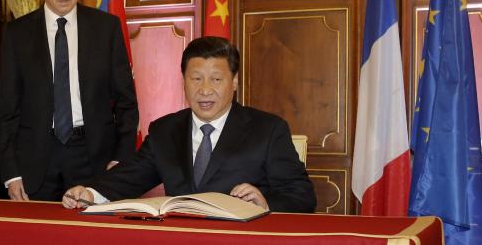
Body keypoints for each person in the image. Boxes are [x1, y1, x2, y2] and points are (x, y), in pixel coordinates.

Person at [63, 37, 316, 213]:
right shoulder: (165, 130)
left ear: (235, 82)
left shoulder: (268, 129)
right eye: (195, 79)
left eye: (216, 79)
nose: (205, 90)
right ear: (183, 80)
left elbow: (302, 195)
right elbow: (130, 177)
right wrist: (90, 193)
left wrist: (265, 202)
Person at [0, 0, 138, 201]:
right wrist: (11, 172)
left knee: (91, 238)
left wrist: (121, 157)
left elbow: (126, 101)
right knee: (37, 237)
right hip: (36, 158)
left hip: (93, 156)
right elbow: (7, 109)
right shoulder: (17, 34)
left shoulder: (106, 28)